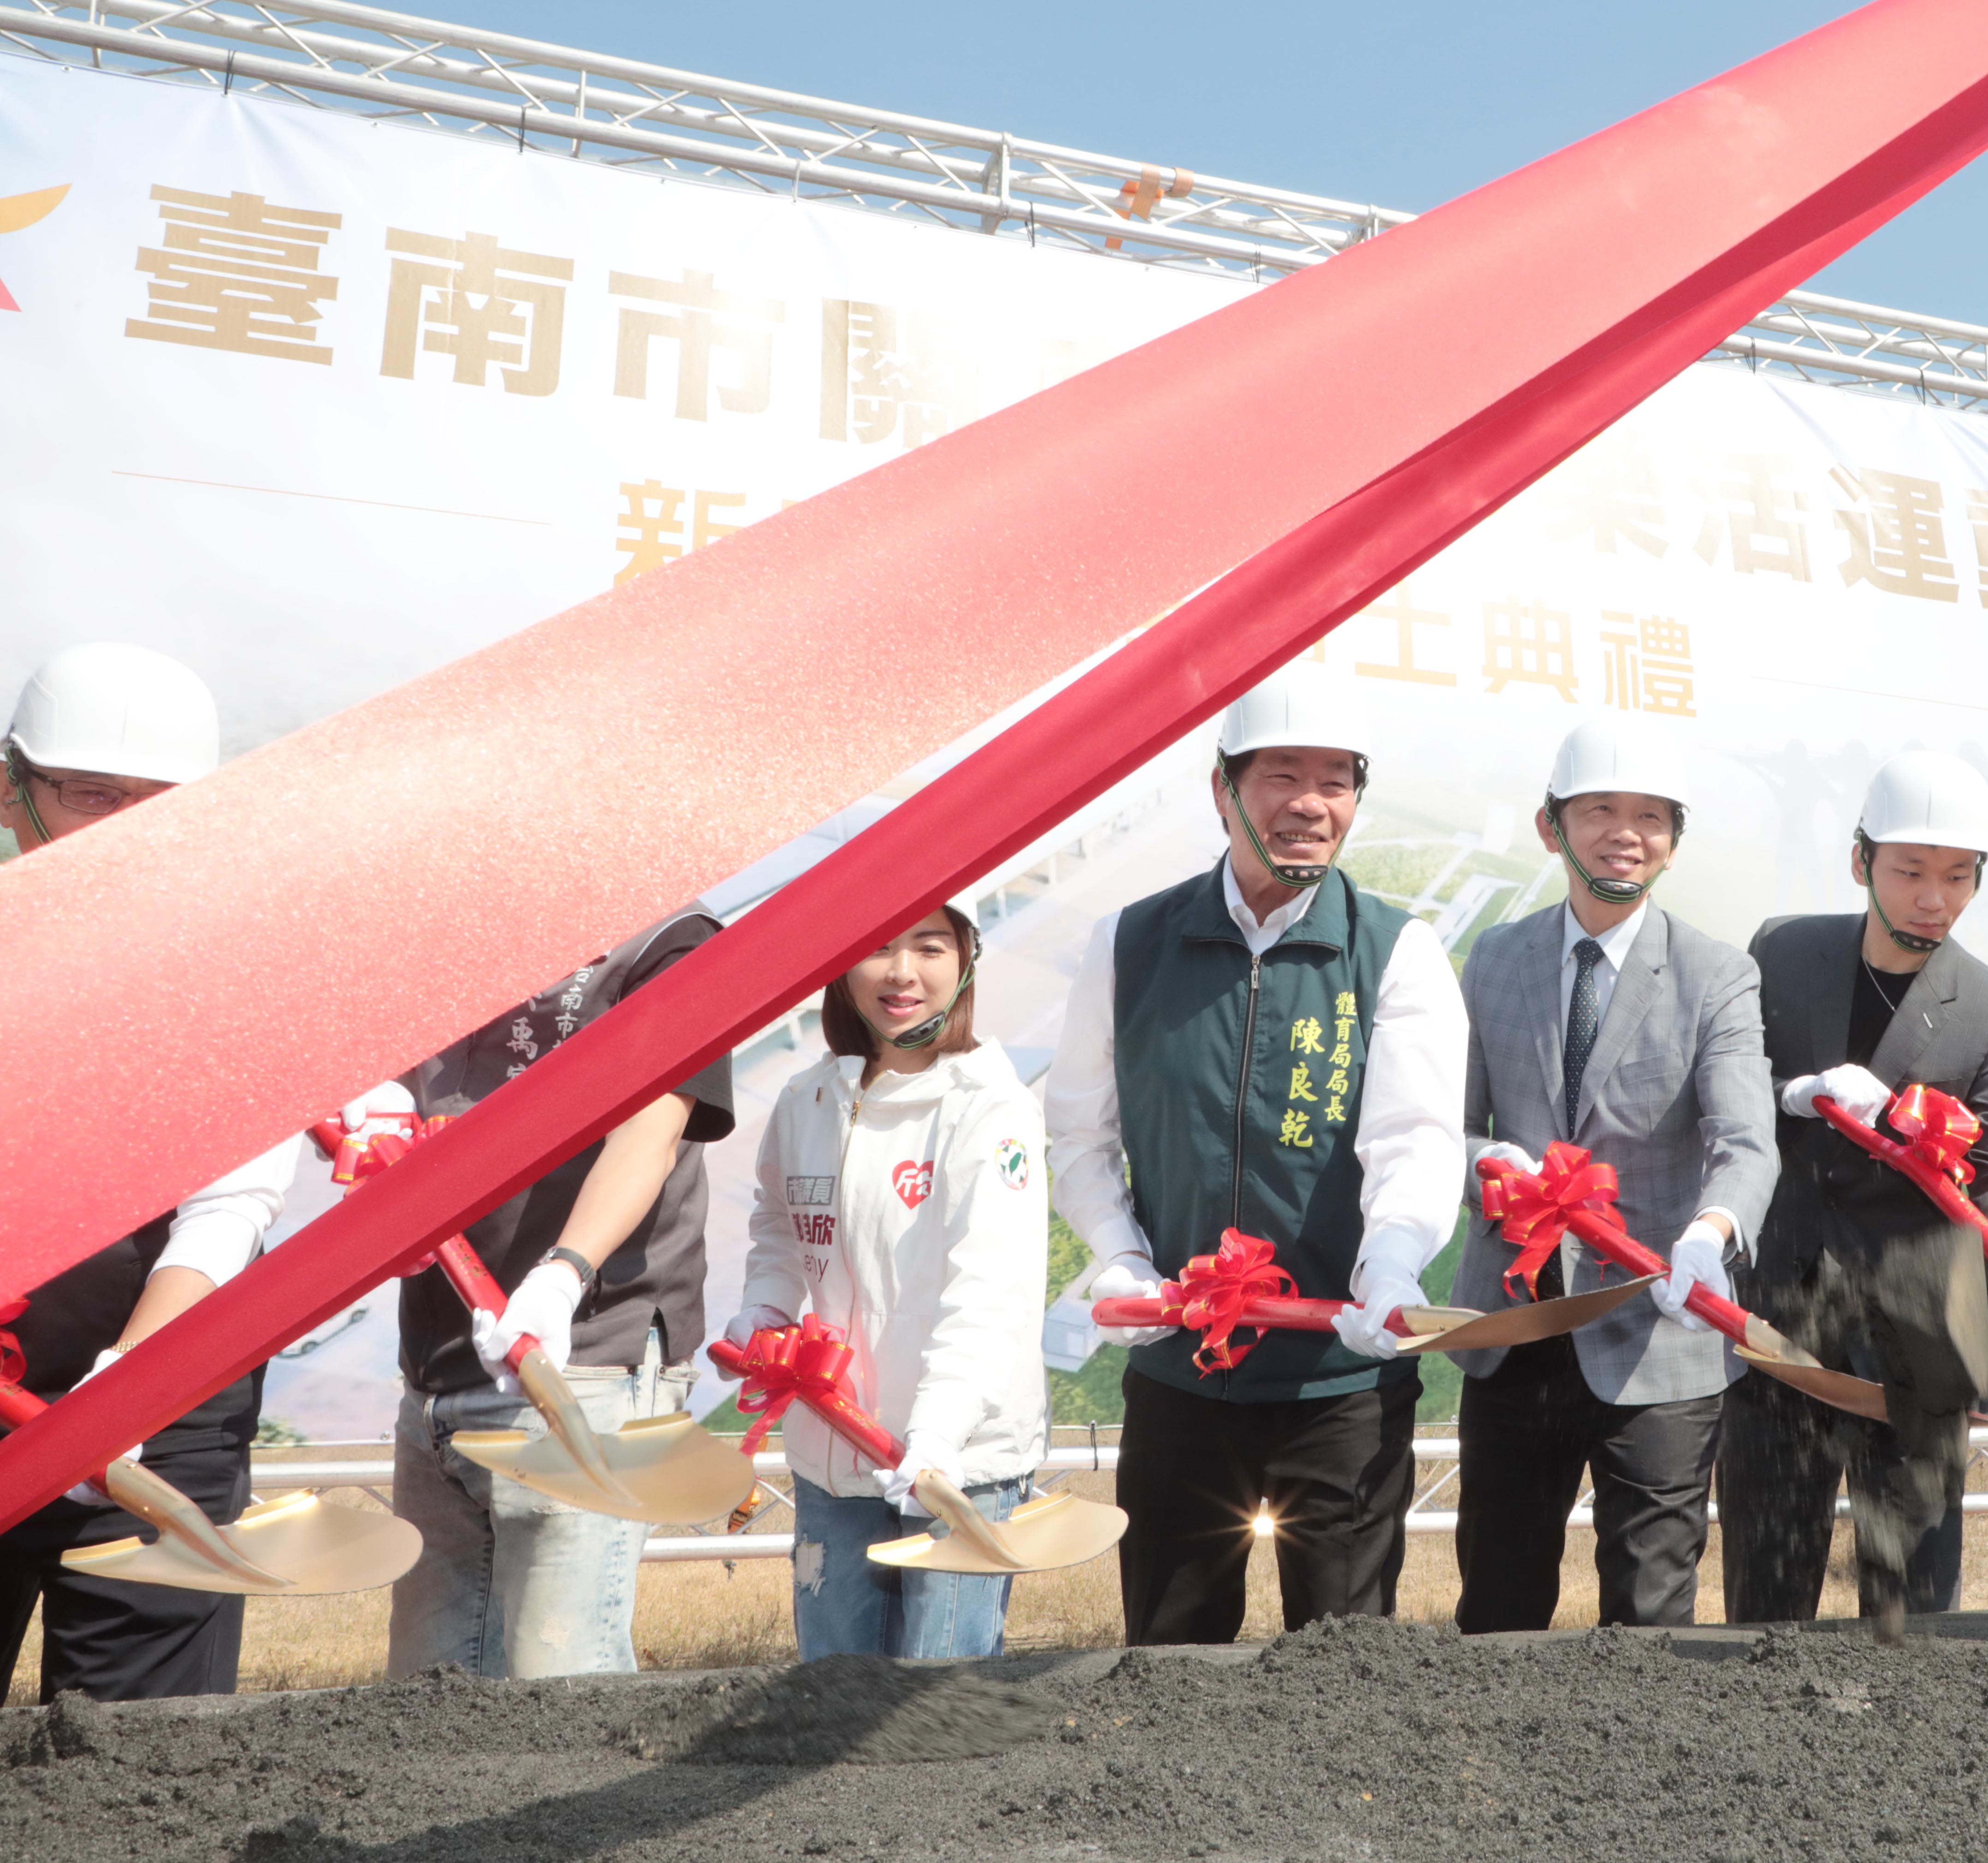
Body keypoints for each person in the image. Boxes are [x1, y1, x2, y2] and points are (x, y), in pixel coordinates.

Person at [1048, 677, 1468, 1645]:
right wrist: (1117, 1250)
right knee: (1172, 1653)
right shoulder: (1131, 941)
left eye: (1337, 780)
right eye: (1283, 774)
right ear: (1223, 790)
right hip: (1183, 1373)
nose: (1311, 802)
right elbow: (1078, 1130)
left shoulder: (1397, 950)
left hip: (1338, 1381)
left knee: (1344, 1658)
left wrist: (1392, 1263)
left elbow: (1414, 1136)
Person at [0, 643, 298, 1702]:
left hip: (161, 1411)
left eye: (159, 804)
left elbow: (231, 1202)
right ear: (11, 787)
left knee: (143, 1760)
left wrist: (127, 1382)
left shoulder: (240, 976)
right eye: (90, 795)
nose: (125, 829)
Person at [1447, 716, 1775, 1631]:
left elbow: (1746, 1137)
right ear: (1552, 826)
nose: (1624, 832)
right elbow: (1448, 1125)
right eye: (1599, 810)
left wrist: (1709, 1235)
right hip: (1516, 1326)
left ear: (1674, 841)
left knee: (1651, 1611)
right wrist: (1489, 1165)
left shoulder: (1716, 974)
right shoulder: (1496, 957)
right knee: (1500, 1599)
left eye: (1650, 815)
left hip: (1657, 1333)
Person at [1719, 750, 1988, 1631]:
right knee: (1765, 1584)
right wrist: (1791, 1094)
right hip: (1782, 1316)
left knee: (1912, 1601)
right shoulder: (1783, 952)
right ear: (1861, 861)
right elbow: (1734, 1089)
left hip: (1924, 1332)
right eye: (1909, 872)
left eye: (1957, 877)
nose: (1932, 898)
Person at [385, 907, 736, 1678]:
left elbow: (652, 1134)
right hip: (442, 1364)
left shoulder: (671, 939)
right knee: (422, 1698)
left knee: (560, 1685)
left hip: (585, 1358)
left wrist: (563, 1272)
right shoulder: (447, 936)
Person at [726, 904, 1050, 1660]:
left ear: (967, 959)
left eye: (929, 947)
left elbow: (989, 1297)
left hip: (955, 1463)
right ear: (841, 966)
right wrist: (764, 1309)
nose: (902, 973)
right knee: (833, 1693)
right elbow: (777, 1228)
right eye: (876, 945)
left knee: (936, 1704)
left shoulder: (990, 1109)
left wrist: (935, 1438)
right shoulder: (806, 1101)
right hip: (834, 1456)